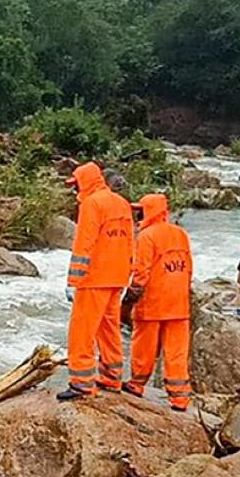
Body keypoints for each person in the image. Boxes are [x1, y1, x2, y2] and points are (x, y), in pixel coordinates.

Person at [59, 161, 135, 402]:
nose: (74, 191)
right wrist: (128, 274)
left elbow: (85, 243)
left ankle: (81, 384)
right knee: (109, 328)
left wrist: (74, 280)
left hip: (94, 278)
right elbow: (129, 241)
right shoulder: (120, 202)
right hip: (117, 277)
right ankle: (112, 377)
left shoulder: (92, 204)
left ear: (85, 182)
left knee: (82, 332)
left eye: (75, 185)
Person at [122, 194, 194, 412]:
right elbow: (188, 267)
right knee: (176, 351)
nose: (138, 215)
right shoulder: (180, 234)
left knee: (144, 347)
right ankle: (180, 398)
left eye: (141, 211)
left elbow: (141, 271)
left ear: (149, 212)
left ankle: (136, 385)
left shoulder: (147, 236)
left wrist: (130, 298)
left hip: (153, 302)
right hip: (179, 303)